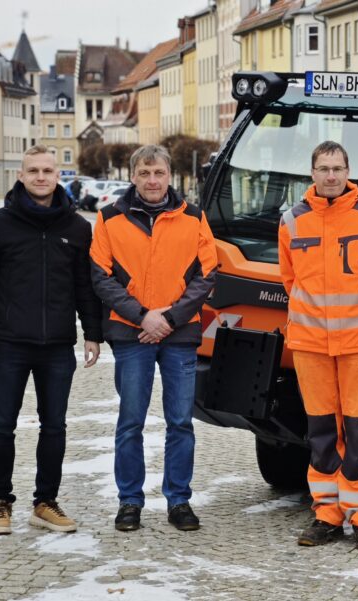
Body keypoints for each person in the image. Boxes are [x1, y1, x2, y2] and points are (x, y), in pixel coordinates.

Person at [0, 145, 103, 535]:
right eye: (33, 171)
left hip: (57, 345)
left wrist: (93, 333)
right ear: (21, 176)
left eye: (47, 171)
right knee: (1, 425)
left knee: (54, 426)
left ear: (58, 176)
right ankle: (0, 502)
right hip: (8, 343)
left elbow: (85, 287)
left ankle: (45, 503)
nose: (41, 177)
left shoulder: (77, 228)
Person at [278, 141, 358, 552]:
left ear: (348, 172)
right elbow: (289, 279)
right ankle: (327, 513)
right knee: (320, 430)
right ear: (312, 173)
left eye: (337, 168)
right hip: (311, 344)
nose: (331, 175)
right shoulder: (291, 221)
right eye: (324, 168)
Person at [89, 144, 217, 532]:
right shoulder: (109, 218)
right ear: (133, 176)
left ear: (169, 175)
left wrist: (170, 319)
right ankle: (130, 501)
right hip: (131, 334)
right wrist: (143, 317)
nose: (152, 180)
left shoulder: (193, 217)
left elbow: (207, 275)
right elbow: (101, 277)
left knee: (180, 421)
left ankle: (179, 500)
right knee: (131, 422)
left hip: (179, 334)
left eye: (158, 173)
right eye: (144, 173)